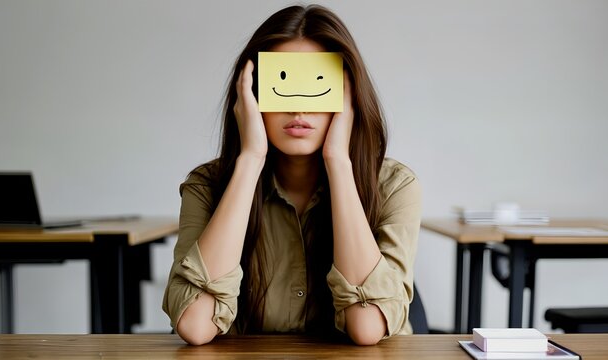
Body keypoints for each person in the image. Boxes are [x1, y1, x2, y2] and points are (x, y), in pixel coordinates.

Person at [162, 4, 421, 346]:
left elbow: (367, 327)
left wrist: (339, 162)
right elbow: (195, 325)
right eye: (280, 83)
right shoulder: (207, 187)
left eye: (319, 85)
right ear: (251, 96)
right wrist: (251, 158)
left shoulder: (394, 186)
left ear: (349, 97)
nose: (299, 108)